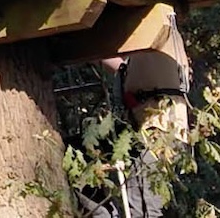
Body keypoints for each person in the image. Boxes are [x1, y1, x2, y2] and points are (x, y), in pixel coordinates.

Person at [80, 12, 193, 218]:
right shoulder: (142, 53)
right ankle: (104, 214)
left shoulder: (160, 27)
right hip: (138, 133)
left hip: (159, 135)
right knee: (79, 152)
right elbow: (120, 66)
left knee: (144, 209)